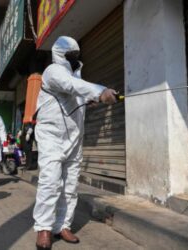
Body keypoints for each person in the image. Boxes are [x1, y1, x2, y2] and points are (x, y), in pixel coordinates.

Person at [33, 36, 117, 249]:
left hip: (74, 138)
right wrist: (100, 92)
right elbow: (70, 85)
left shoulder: (76, 75)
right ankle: (44, 228)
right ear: (59, 54)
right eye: (69, 54)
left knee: (70, 186)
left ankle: (63, 226)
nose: (73, 58)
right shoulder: (52, 71)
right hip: (51, 136)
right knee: (50, 182)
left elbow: (74, 94)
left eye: (76, 54)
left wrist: (90, 101)